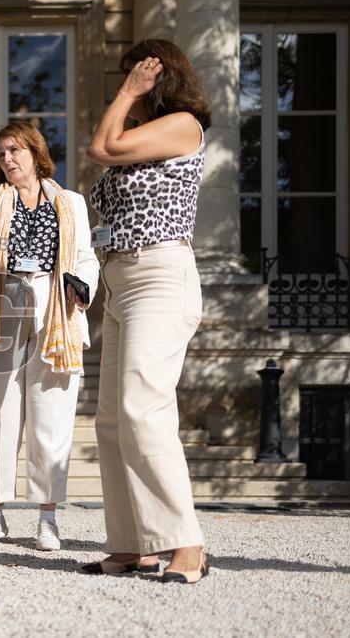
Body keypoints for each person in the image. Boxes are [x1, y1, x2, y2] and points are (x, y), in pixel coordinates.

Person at [83, 39, 211, 583]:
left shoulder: (182, 125)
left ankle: (187, 544)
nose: (125, 85)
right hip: (119, 281)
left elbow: (101, 147)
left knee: (142, 408)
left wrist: (127, 93)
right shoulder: (142, 139)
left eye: (132, 75)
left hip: (160, 274)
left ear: (158, 78)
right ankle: (135, 545)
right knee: (111, 419)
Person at [0, 96, 98, 552]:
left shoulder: (70, 202)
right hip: (3, 300)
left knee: (52, 412)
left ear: (36, 153)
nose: (7, 158)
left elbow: (86, 256)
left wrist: (82, 285)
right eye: (1, 153)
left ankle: (47, 518)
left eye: (15, 150)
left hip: (55, 306)